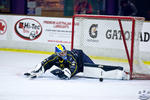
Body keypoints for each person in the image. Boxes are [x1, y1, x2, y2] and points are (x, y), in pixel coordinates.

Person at [24, 44, 94, 79]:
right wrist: (39, 69)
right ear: (57, 54)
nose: (64, 54)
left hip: (80, 58)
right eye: (62, 53)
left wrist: (68, 73)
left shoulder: (70, 56)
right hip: (73, 65)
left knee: (93, 69)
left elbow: (75, 68)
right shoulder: (55, 57)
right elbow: (47, 62)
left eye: (65, 52)